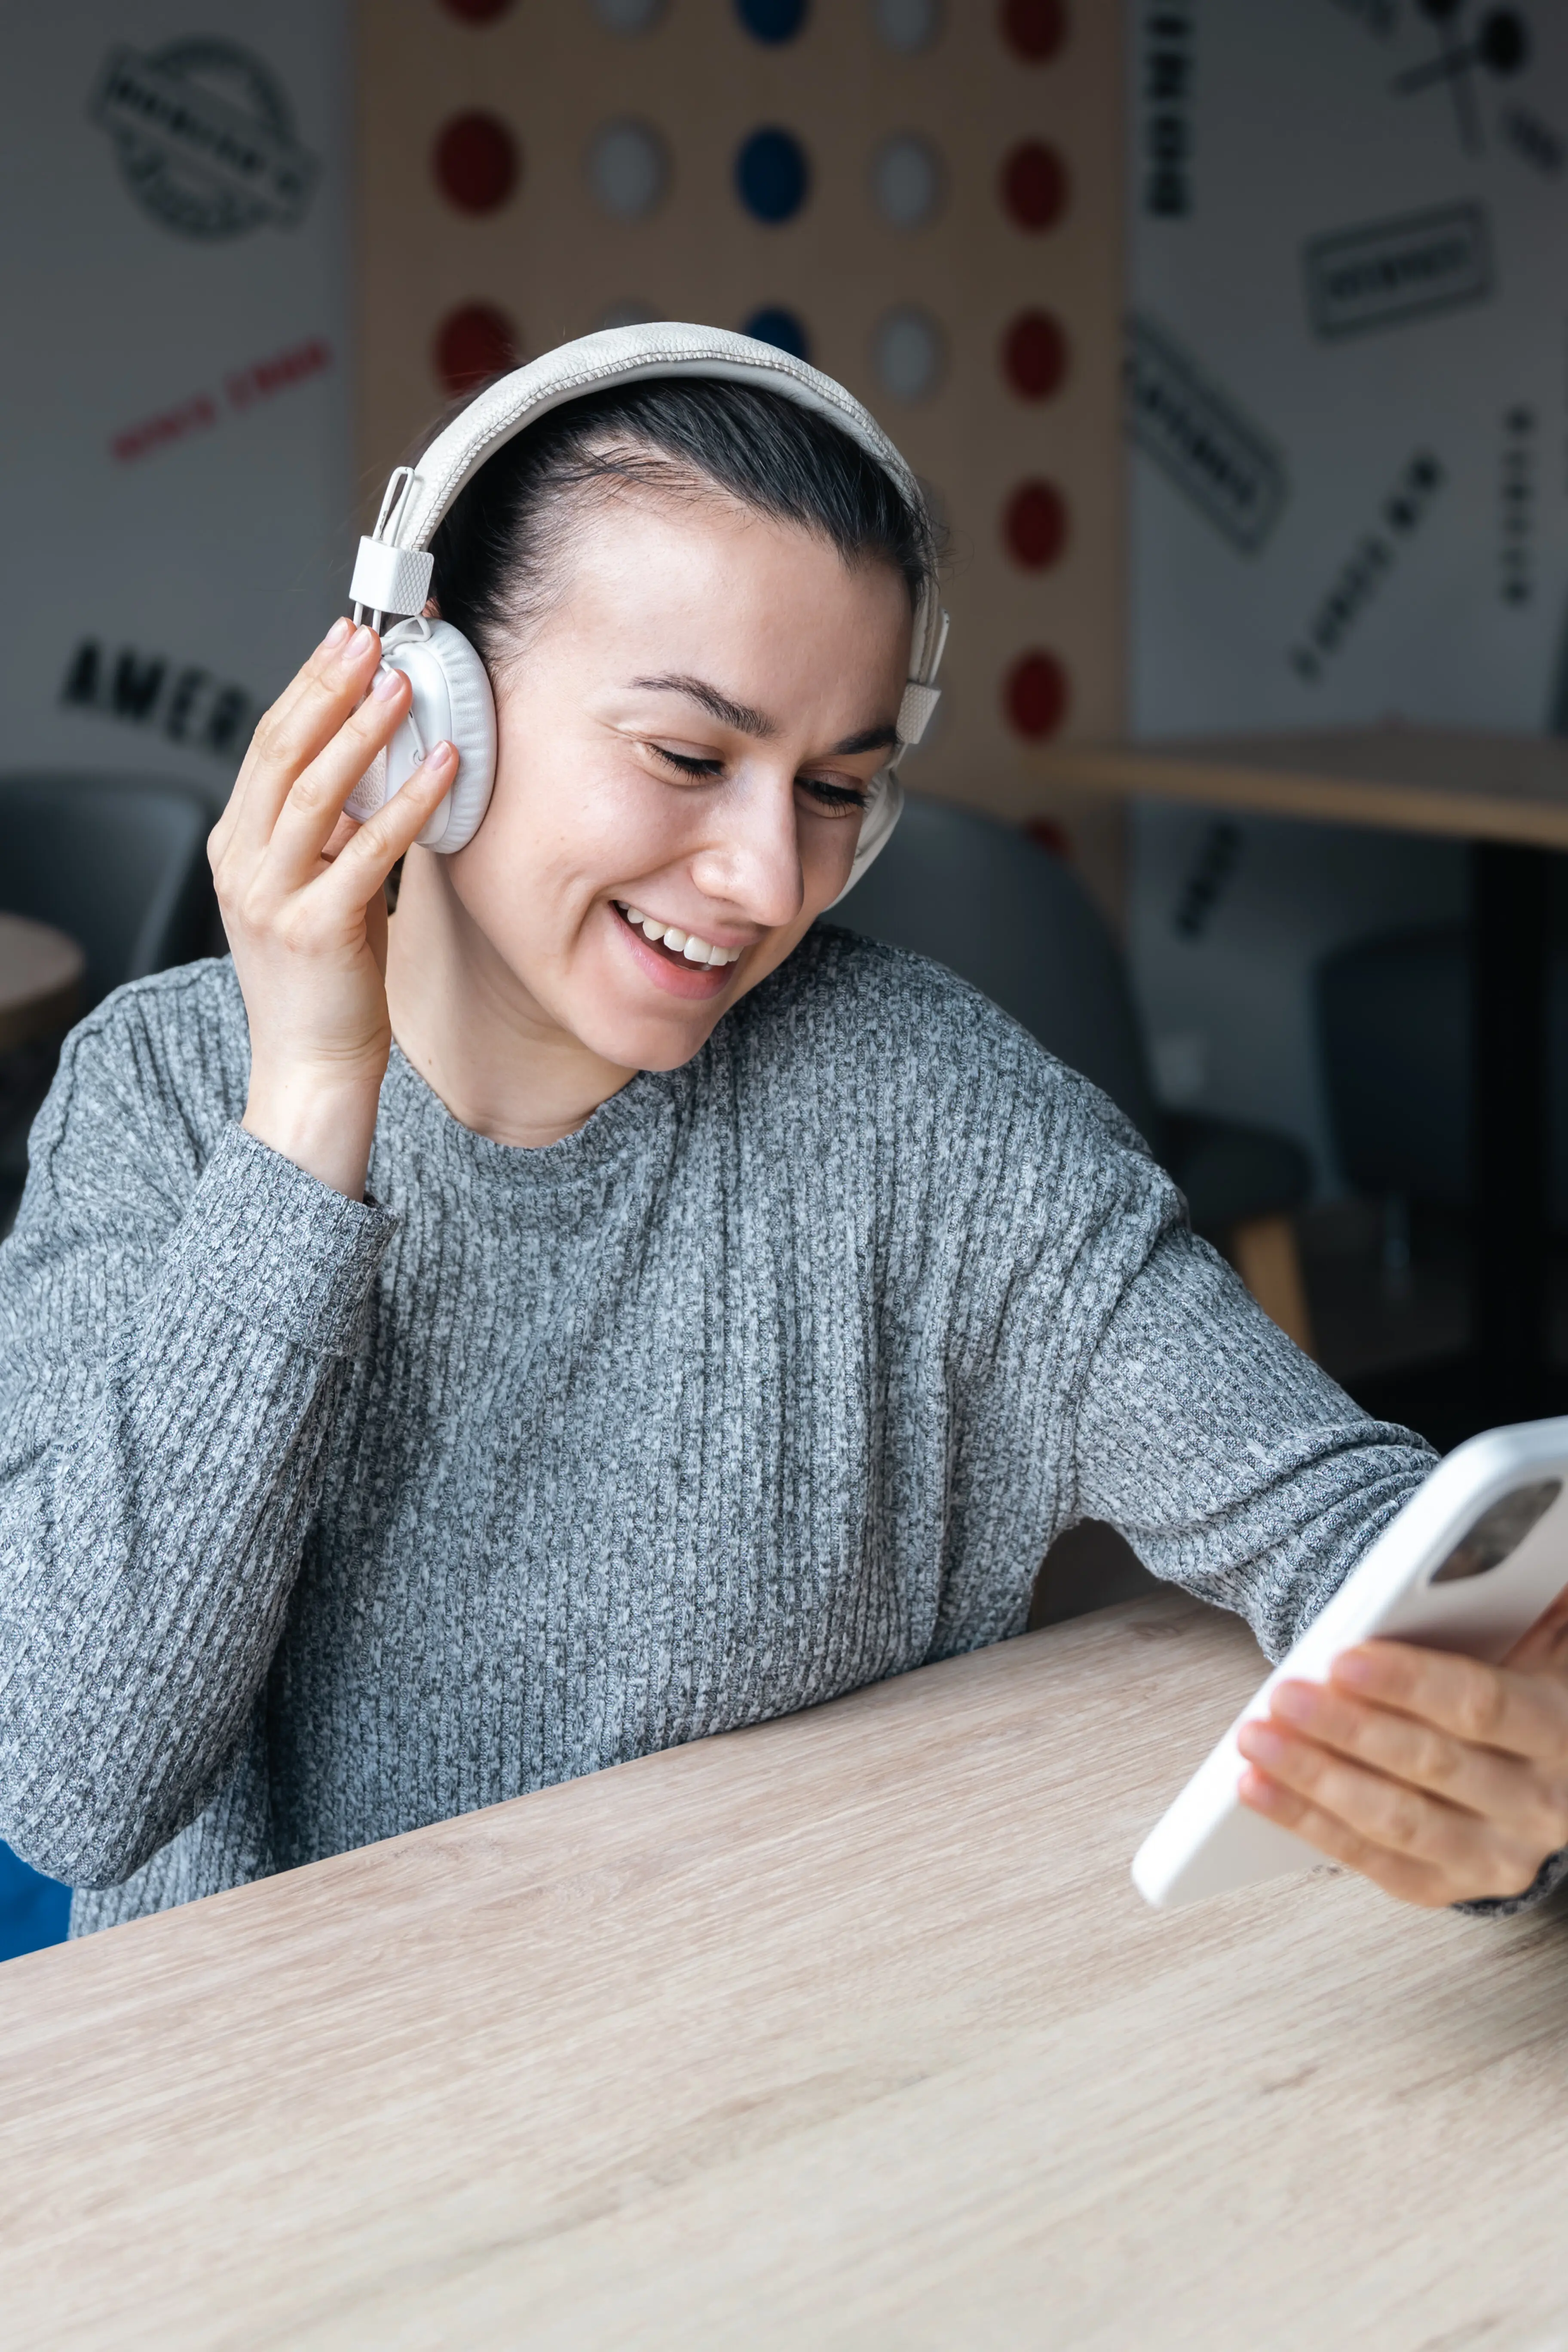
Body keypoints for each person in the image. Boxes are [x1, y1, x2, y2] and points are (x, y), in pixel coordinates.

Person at [0, 329, 1564, 1940]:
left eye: (836, 789)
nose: (768, 879)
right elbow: (78, 1778)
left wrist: (1520, 1752)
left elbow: (1337, 1522)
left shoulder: (928, 1109)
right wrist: (312, 1110)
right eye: (689, 756)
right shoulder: (172, 1091)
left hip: (767, 2095)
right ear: (416, 707)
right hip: (270, 2115)